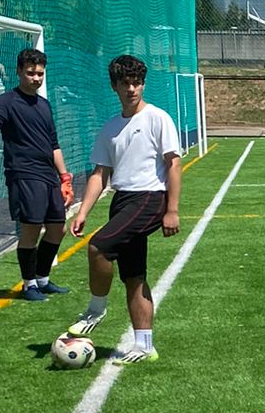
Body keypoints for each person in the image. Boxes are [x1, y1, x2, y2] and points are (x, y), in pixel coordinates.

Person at [66, 55, 182, 362]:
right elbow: (99, 173)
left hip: (149, 198)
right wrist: (82, 212)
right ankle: (145, 346)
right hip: (123, 201)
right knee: (134, 276)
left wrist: (172, 210)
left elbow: (173, 163)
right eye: (125, 83)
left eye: (137, 83)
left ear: (143, 84)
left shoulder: (158, 118)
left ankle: (95, 310)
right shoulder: (111, 128)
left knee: (98, 247)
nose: (132, 89)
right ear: (114, 86)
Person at [0, 46, 74, 300]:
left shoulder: (44, 104)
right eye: (31, 72)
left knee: (58, 229)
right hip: (24, 175)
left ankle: (43, 279)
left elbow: (53, 144)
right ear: (19, 71)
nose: (36, 78)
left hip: (48, 175)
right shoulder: (7, 101)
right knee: (31, 229)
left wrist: (64, 177)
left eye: (40, 73)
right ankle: (29, 284)